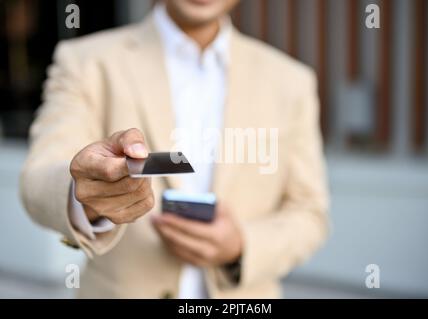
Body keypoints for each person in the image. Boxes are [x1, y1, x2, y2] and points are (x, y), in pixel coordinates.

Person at [20, 0, 329, 298]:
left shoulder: (291, 82)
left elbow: (310, 212)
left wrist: (242, 246)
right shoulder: (85, 61)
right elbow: (39, 177)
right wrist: (86, 195)